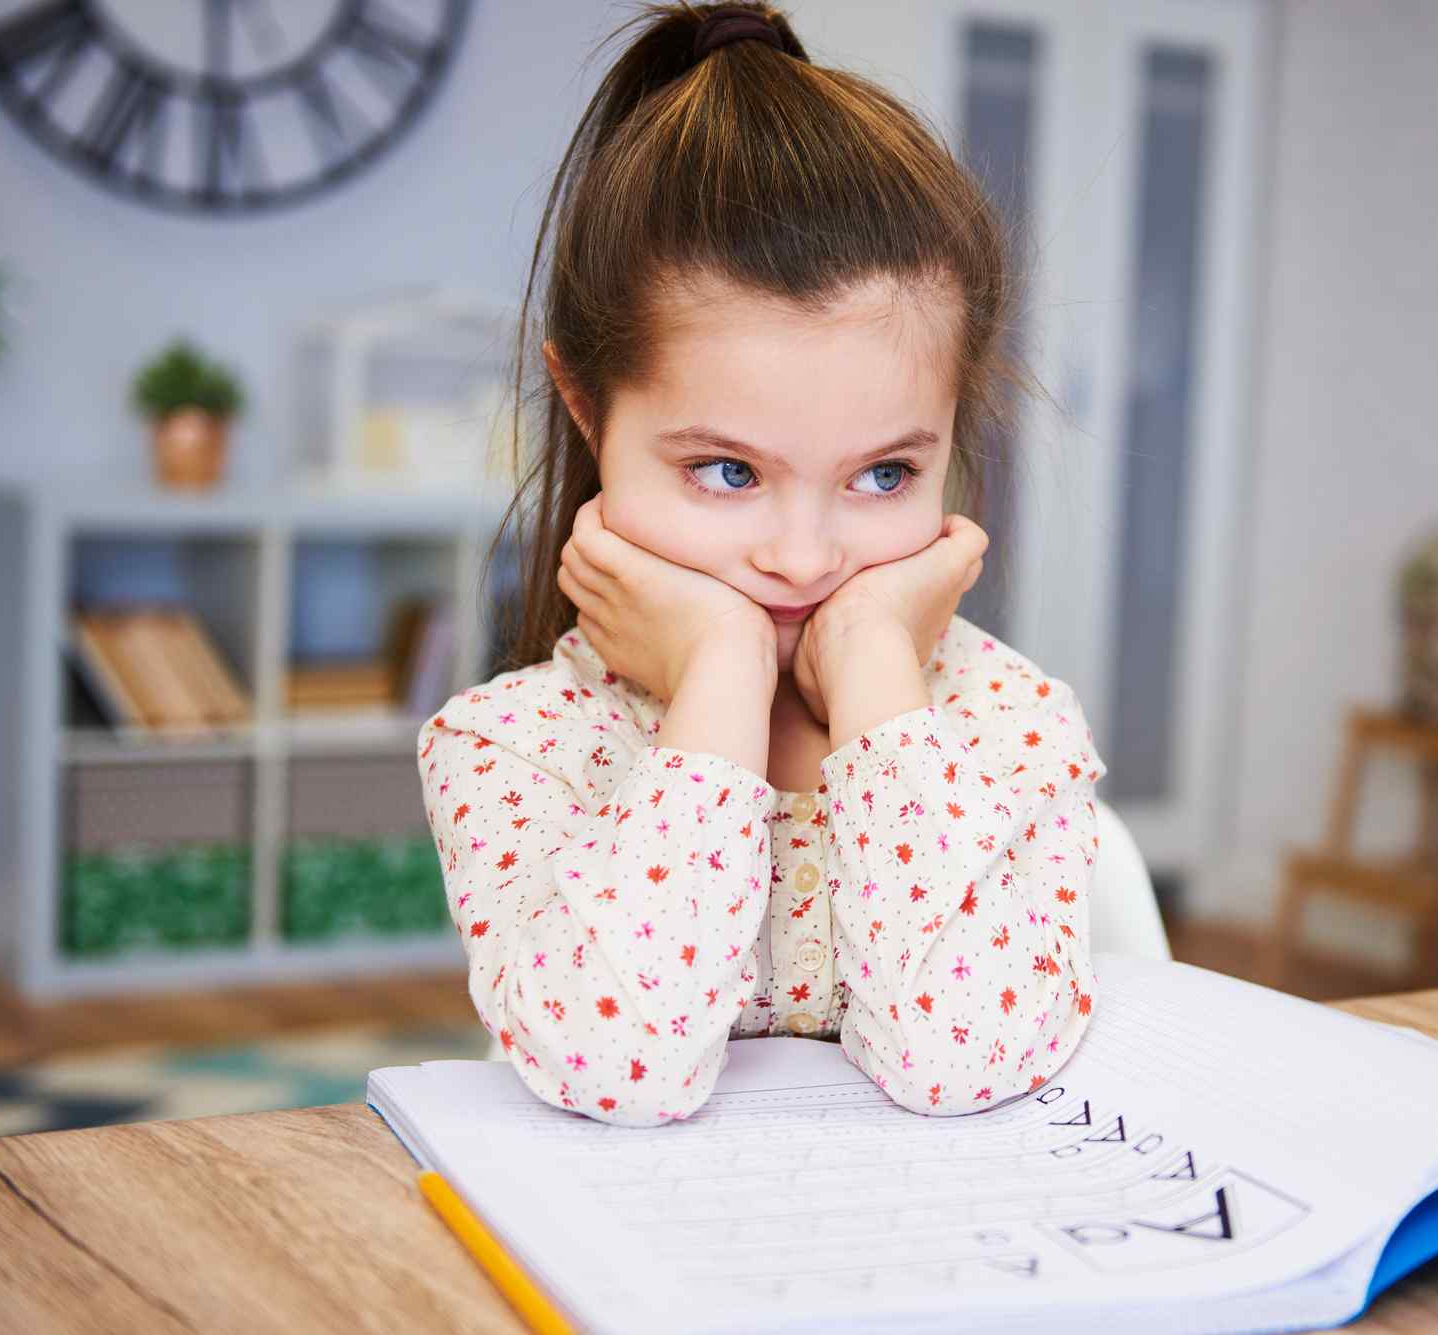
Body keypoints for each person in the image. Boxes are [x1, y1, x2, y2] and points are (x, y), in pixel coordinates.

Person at [417, 1, 1105, 1127]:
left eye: (882, 475)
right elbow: (611, 1071)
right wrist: (721, 675)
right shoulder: (515, 750)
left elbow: (961, 1063)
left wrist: (877, 669)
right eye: (727, 472)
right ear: (587, 411)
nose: (800, 559)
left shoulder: (1006, 724)